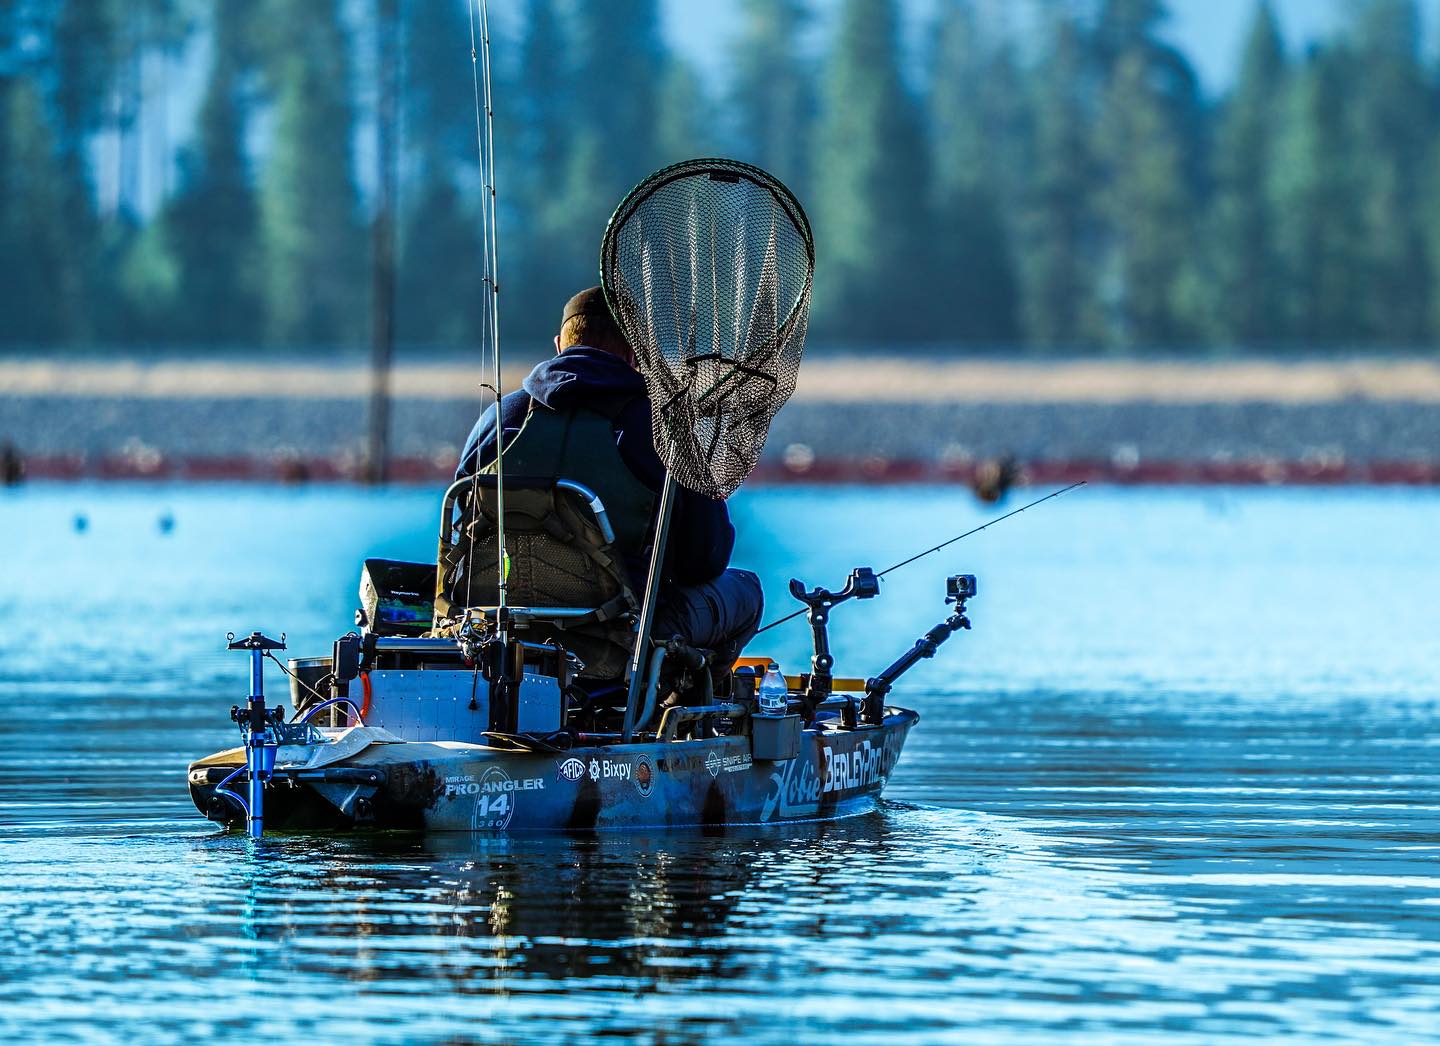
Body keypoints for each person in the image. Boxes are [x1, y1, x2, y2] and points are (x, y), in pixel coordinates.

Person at [456, 286, 764, 675]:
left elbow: (462, 536)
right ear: (636, 351)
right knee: (746, 590)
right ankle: (673, 708)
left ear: (559, 346)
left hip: (504, 634)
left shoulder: (498, 418)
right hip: (623, 639)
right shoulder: (663, 426)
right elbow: (705, 561)